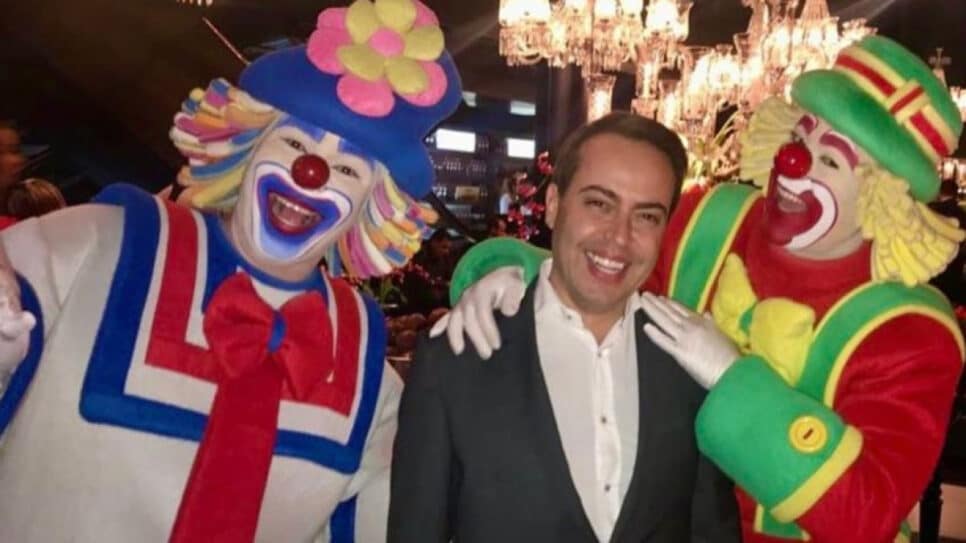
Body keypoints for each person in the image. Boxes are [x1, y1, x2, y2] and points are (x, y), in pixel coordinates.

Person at [437, 36, 966, 543]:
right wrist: (515, 274)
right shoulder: (710, 219)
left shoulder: (911, 331)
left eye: (829, 161)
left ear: (881, 197)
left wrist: (732, 377)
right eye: (798, 140)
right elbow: (608, 281)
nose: (792, 164)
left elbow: (866, 514)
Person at [0, 0, 461, 540]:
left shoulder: (362, 363)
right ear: (244, 146)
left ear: (371, 209)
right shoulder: (99, 244)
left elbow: (397, 513)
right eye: (294, 143)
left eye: (346, 169)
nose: (310, 172)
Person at [389, 112, 741, 543]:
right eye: (599, 204)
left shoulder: (689, 360)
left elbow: (712, 530)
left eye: (646, 216)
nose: (619, 237)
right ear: (554, 205)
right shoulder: (454, 360)